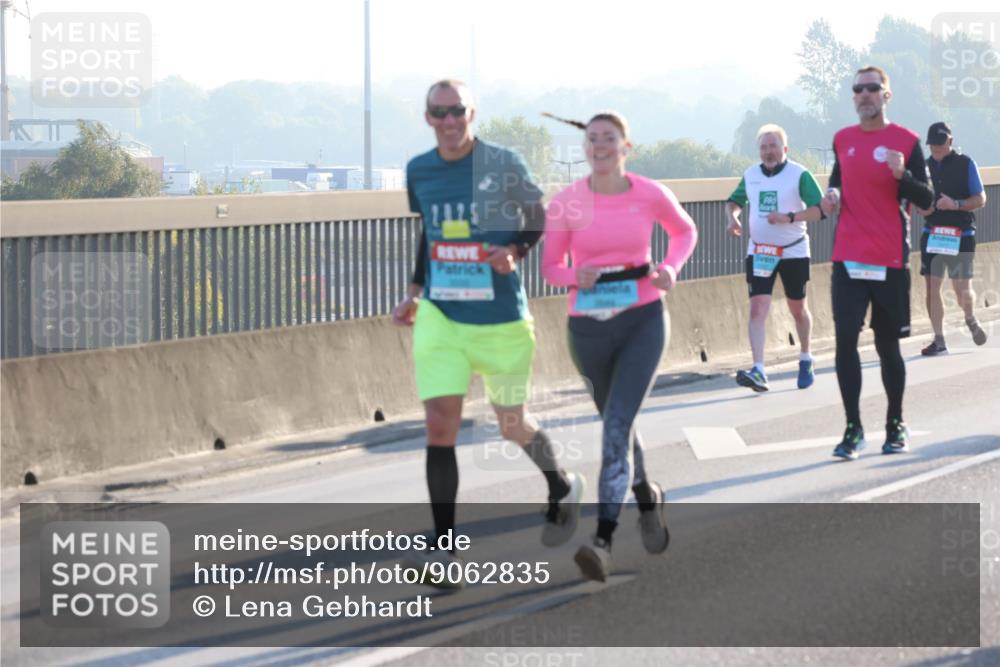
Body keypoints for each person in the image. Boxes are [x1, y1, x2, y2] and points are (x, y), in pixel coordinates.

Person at [392, 80, 585, 586]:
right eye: (440, 112)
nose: (450, 120)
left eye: (458, 111)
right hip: (441, 316)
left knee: (511, 424)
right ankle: (445, 552)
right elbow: (429, 231)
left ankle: (560, 484)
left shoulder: (502, 163)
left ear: (471, 113)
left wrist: (516, 252)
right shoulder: (419, 171)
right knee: (440, 425)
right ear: (428, 117)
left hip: (500, 319)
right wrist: (415, 291)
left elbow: (539, 216)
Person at [542, 111, 697, 582]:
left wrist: (670, 268)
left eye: (610, 138)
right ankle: (647, 495)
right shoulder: (566, 203)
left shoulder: (650, 193)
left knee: (616, 427)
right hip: (587, 327)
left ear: (626, 147)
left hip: (642, 319)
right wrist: (574, 275)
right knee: (617, 421)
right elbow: (550, 267)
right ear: (584, 148)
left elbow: (685, 232)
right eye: (592, 140)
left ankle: (602, 539)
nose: (600, 146)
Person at [820, 66, 935, 461]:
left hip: (889, 259)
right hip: (848, 259)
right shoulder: (843, 139)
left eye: (872, 88)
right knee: (845, 341)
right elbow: (838, 178)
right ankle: (853, 428)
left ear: (886, 95)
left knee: (888, 347)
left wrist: (902, 174)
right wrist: (832, 194)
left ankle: (895, 423)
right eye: (858, 89)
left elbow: (927, 200)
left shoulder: (906, 141)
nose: (864, 95)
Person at [726, 124, 824, 392]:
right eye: (763, 147)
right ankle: (758, 369)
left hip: (793, 251)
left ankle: (805, 357)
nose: (768, 152)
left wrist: (789, 218)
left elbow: (821, 210)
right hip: (759, 251)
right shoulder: (751, 175)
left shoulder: (799, 174)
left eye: (773, 146)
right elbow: (734, 201)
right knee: (758, 307)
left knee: (797, 309)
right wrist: (732, 217)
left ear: (785, 149)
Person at [916, 121, 988, 355]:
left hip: (961, 234)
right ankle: (939, 340)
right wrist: (922, 208)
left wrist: (955, 204)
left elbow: (981, 199)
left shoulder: (966, 164)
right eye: (932, 144)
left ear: (950, 141)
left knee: (961, 290)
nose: (936, 148)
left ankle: (970, 317)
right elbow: (917, 200)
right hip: (933, 234)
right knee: (932, 286)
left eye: (940, 143)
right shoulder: (923, 168)